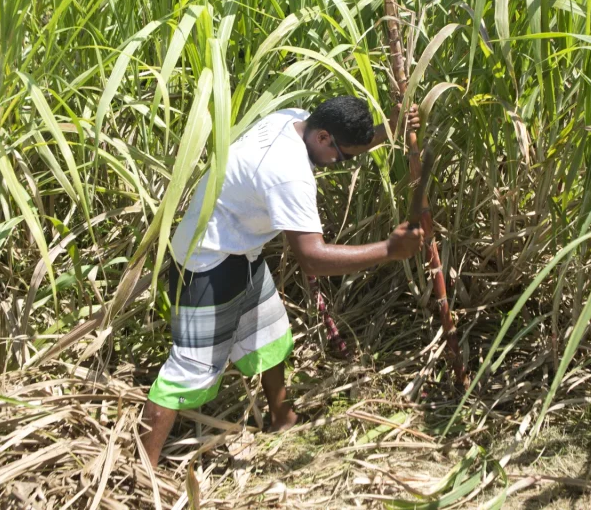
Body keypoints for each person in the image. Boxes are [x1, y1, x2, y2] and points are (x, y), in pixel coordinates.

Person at [139, 96, 424, 466]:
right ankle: (141, 470)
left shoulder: (295, 120)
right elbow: (312, 258)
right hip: (205, 262)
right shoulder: (289, 173)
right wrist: (390, 249)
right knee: (189, 372)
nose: (343, 163)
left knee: (269, 335)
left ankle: (283, 419)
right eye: (345, 156)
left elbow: (344, 142)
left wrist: (390, 128)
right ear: (323, 137)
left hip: (241, 251)